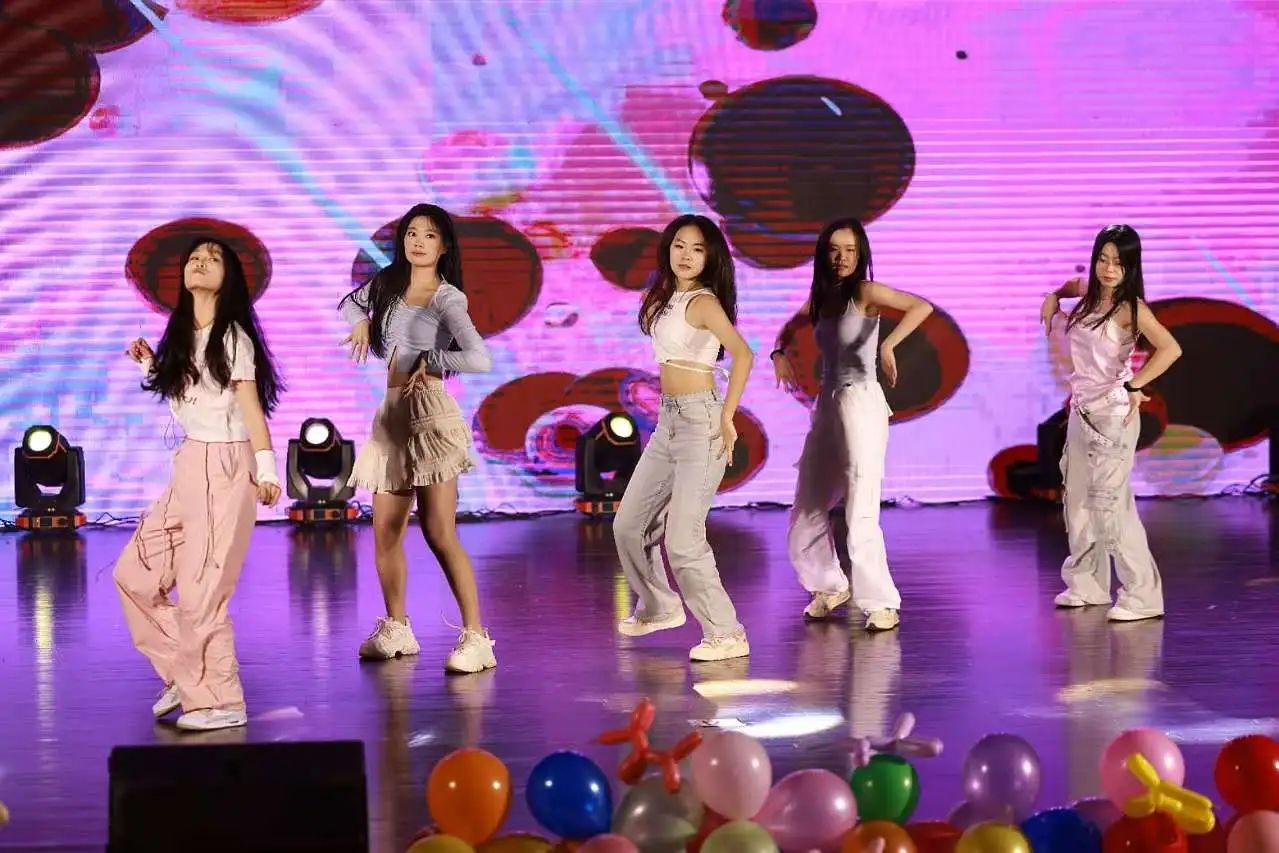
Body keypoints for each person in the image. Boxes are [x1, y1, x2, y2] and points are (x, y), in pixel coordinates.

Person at [115, 237, 283, 731]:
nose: (200, 262)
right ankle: (183, 671)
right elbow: (189, 397)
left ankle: (220, 701)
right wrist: (150, 364)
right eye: (194, 257)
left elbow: (251, 409)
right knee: (134, 574)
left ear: (228, 278)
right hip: (190, 463)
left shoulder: (232, 338)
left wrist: (267, 470)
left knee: (202, 589)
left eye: (213, 259)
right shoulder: (181, 332)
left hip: (225, 464)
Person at [339, 203, 496, 672]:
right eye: (411, 233)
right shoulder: (387, 283)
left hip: (429, 416)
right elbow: (350, 303)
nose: (419, 242)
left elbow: (479, 358)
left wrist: (432, 358)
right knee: (385, 530)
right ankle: (398, 627)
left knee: (438, 531)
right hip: (391, 415)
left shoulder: (447, 298)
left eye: (429, 235)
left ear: (444, 245)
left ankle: (477, 638)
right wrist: (361, 320)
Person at [771, 218, 934, 631]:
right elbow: (788, 328)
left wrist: (889, 344)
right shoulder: (821, 298)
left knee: (861, 505)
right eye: (834, 249)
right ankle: (829, 585)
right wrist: (778, 353)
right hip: (828, 403)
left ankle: (880, 603)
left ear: (860, 254)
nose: (841, 258)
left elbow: (921, 306)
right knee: (809, 501)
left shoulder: (865, 291)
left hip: (861, 401)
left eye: (850, 250)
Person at [612, 214, 754, 662]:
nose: (686, 255)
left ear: (710, 257)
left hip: (701, 421)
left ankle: (726, 633)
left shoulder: (704, 301)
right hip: (668, 422)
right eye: (679, 245)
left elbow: (743, 355)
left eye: (697, 248)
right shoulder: (666, 298)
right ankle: (660, 605)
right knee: (628, 525)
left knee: (683, 539)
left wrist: (727, 415)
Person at [1040, 224, 1181, 621]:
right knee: (1078, 502)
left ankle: (1143, 597)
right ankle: (1087, 584)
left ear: (1131, 266)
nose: (1108, 269)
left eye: (1118, 263)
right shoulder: (1089, 292)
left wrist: (1135, 384)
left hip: (1112, 416)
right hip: (1081, 411)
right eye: (1103, 259)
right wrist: (1053, 297)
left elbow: (1170, 348)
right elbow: (1068, 286)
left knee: (1112, 507)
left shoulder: (1131, 308)